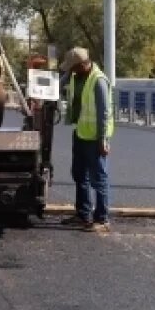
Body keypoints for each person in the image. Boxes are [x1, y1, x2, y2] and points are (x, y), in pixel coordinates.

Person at [59, 47, 113, 232]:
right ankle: (83, 214)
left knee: (99, 178)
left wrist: (103, 139)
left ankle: (102, 218)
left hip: (95, 137)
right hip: (81, 133)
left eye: (72, 68)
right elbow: (58, 85)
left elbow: (104, 112)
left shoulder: (98, 81)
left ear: (82, 65)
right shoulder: (76, 76)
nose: (70, 71)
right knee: (79, 175)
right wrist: (66, 73)